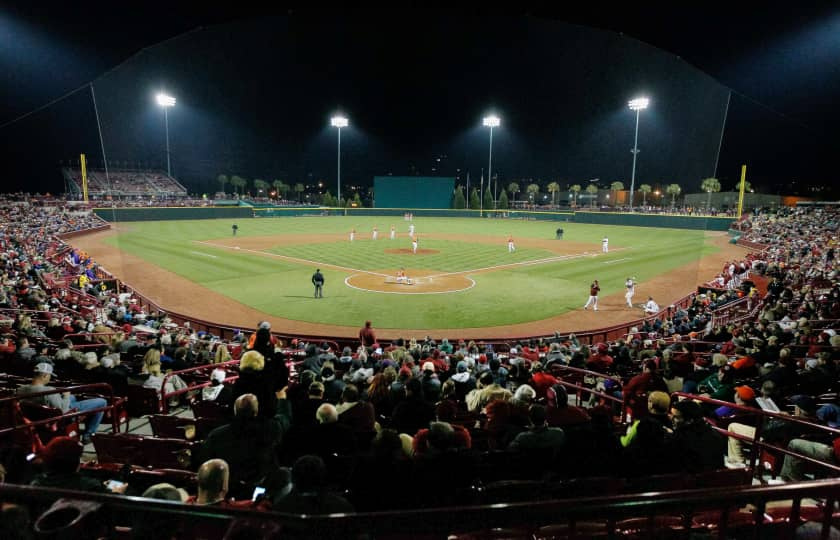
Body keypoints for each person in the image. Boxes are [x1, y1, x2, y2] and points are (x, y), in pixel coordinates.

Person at [17, 363, 107, 443]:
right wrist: (66, 396)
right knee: (102, 402)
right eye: (49, 376)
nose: (50, 378)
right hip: (62, 417)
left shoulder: (20, 389)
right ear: (44, 376)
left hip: (37, 416)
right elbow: (63, 411)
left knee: (72, 397)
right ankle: (88, 435)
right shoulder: (49, 391)